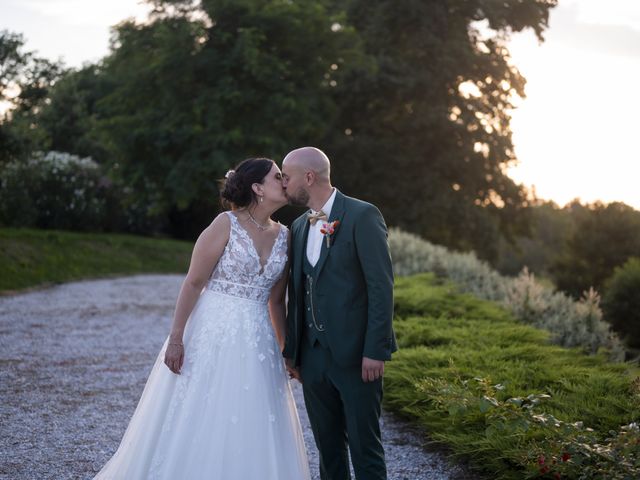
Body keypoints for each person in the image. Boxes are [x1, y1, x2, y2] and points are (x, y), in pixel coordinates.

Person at [94, 158, 311, 479]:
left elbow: (276, 302)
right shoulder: (226, 224)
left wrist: (287, 350)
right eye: (277, 176)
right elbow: (194, 282)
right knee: (204, 408)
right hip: (214, 329)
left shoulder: (286, 235)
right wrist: (177, 338)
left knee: (254, 413)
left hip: (259, 340)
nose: (284, 181)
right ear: (257, 188)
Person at [281, 147, 397, 480]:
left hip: (357, 357)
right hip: (312, 358)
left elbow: (381, 287)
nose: (283, 184)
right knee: (328, 449)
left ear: (308, 177)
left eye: (287, 177)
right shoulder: (300, 226)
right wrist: (294, 352)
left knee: (365, 448)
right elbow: (297, 291)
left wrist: (376, 350)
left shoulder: (363, 215)